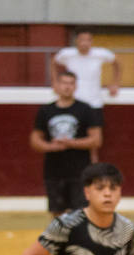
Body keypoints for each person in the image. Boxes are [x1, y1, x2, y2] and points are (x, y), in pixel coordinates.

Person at [31, 71, 104, 219]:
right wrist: (52, 147)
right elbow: (35, 140)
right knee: (57, 213)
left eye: (71, 83)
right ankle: (61, 241)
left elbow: (96, 140)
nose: (67, 87)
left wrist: (70, 143)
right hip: (53, 169)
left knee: (80, 212)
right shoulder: (46, 110)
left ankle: (78, 241)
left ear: (75, 86)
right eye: (64, 83)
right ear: (56, 86)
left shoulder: (85, 109)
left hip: (79, 169)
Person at [53, 29, 119, 109]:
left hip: (94, 102)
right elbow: (53, 63)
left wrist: (115, 83)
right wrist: (55, 82)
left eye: (88, 40)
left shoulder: (100, 54)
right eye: (82, 39)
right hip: (73, 102)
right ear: (76, 41)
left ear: (91, 41)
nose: (85, 43)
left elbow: (117, 63)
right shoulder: (67, 54)